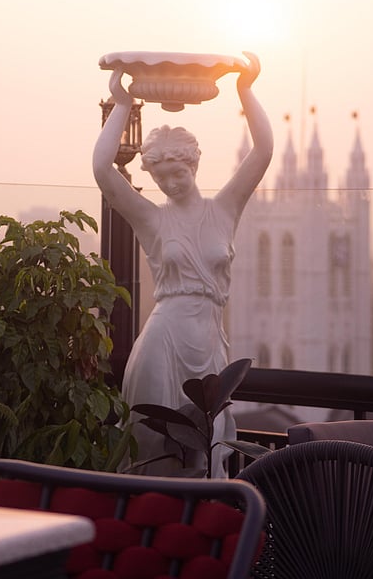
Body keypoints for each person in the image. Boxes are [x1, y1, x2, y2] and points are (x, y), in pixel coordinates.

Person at [93, 52, 273, 475]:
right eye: (161, 178)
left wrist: (244, 90)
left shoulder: (225, 209)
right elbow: (102, 169)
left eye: (179, 174)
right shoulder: (153, 219)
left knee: (204, 450)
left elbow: (263, 150)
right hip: (164, 339)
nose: (171, 184)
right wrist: (121, 104)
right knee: (152, 444)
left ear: (194, 166)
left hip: (208, 338)